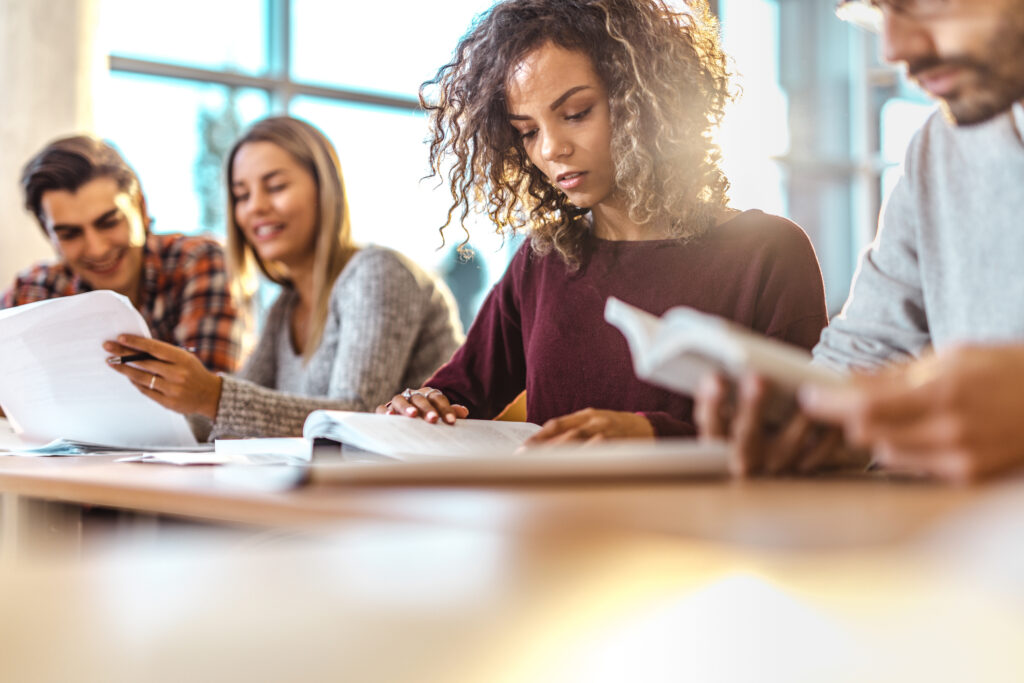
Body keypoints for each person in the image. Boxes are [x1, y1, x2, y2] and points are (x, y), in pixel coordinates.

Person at [377, 0, 828, 443]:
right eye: (528, 132)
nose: (551, 149)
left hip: (705, 517)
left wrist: (651, 435)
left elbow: (805, 437)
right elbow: (456, 395)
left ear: (646, 100)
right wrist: (420, 406)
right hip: (557, 516)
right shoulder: (542, 263)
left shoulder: (768, 253)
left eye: (576, 114)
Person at [696, 0, 1024, 481]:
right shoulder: (942, 149)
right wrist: (799, 419)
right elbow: (870, 351)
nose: (892, 48)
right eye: (875, 9)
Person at [104, 116, 463, 438]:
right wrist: (141, 414)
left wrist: (210, 395)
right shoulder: (286, 306)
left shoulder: (377, 272)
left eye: (275, 187)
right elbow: (221, 412)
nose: (255, 207)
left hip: (420, 495)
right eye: (241, 195)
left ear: (325, 190)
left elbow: (354, 417)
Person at [4, 135, 243, 373]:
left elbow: (206, 398)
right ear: (49, 236)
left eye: (109, 222)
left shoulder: (198, 262)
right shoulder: (35, 290)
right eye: (70, 234)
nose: (97, 249)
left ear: (141, 207)